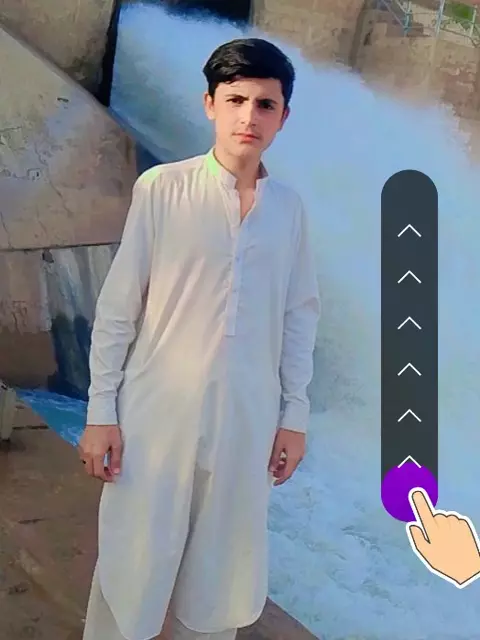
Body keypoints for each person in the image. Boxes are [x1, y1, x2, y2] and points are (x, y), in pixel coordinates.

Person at [79, 37, 321, 640]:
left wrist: (294, 417)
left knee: (220, 576)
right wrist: (100, 412)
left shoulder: (289, 210)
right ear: (209, 104)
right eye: (235, 100)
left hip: (247, 421)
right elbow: (119, 307)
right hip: (156, 415)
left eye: (265, 104)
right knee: (131, 564)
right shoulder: (163, 189)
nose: (249, 116)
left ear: (284, 117)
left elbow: (299, 317)